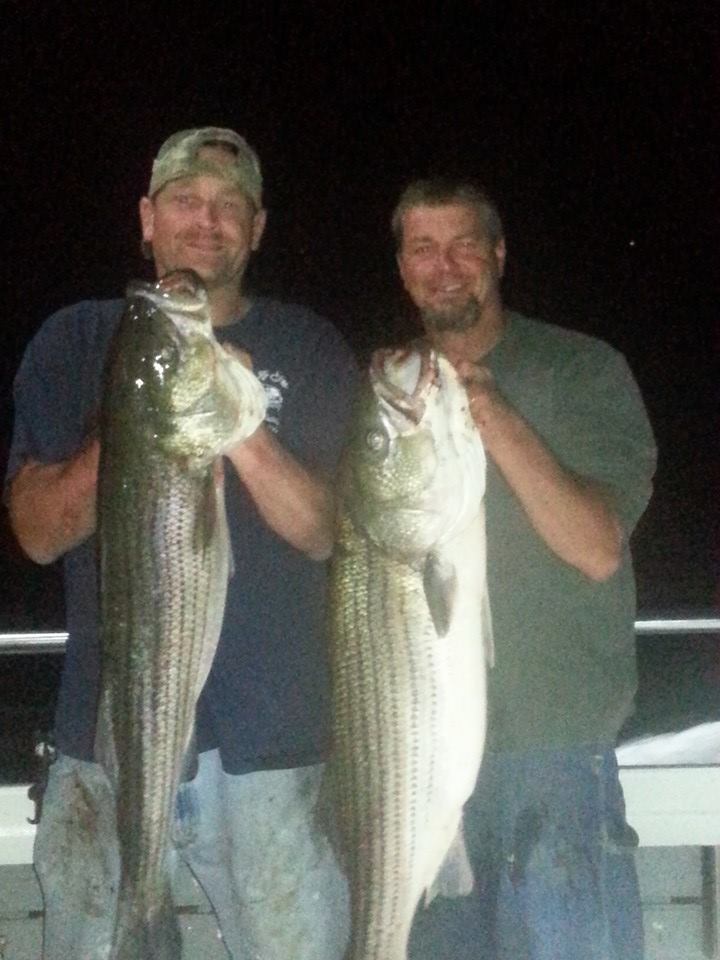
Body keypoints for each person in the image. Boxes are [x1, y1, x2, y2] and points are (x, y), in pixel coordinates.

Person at [6, 127, 357, 960]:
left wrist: (235, 422)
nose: (207, 220)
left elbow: (321, 533)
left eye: (229, 206)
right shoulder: (78, 340)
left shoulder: (310, 348)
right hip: (112, 735)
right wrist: (144, 417)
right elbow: (35, 533)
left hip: (278, 750)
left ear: (257, 229)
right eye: (186, 202)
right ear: (147, 218)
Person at [389, 179, 657, 960]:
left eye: (465, 244)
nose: (445, 266)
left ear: (499, 255)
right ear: (402, 266)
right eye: (423, 248)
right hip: (419, 760)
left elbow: (596, 546)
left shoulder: (579, 370)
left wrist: (491, 412)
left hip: (555, 754)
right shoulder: (391, 394)